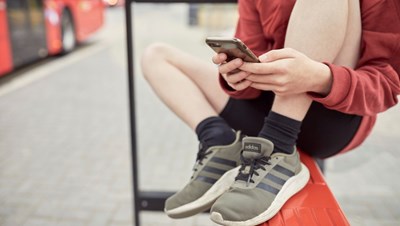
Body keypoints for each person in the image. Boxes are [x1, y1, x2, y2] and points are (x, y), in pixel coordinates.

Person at [141, 0, 400, 225]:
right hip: (268, 109)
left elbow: (388, 85)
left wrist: (319, 78)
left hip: (332, 117)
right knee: (156, 56)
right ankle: (219, 142)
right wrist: (240, 76)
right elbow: (255, 66)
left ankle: (279, 146)